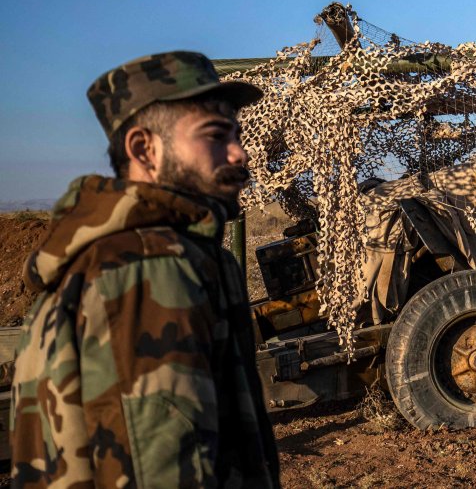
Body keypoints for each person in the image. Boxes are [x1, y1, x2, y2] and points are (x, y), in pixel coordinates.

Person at [9, 52, 280, 488]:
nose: (239, 153)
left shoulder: (104, 257)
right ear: (144, 149)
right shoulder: (148, 267)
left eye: (237, 134)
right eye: (215, 135)